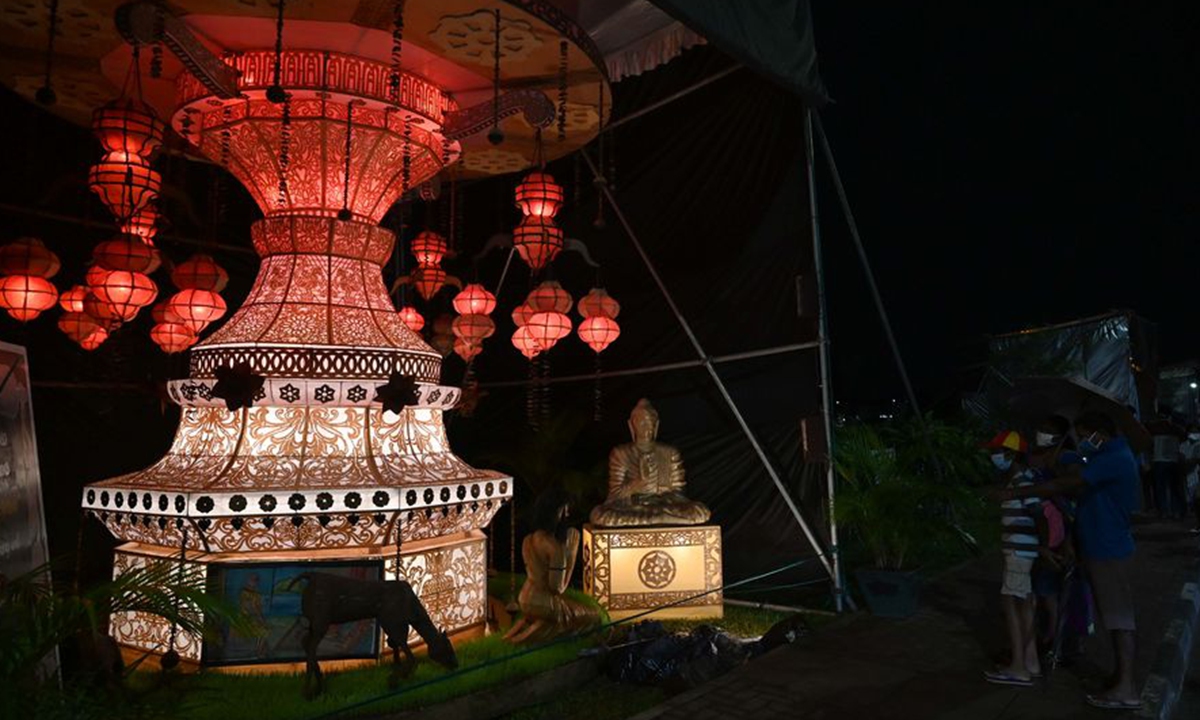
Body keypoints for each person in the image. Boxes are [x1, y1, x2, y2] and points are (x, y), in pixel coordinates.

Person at [999, 410, 1141, 710]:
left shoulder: (1113, 458)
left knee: (1119, 619)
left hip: (1108, 547)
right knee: (1112, 617)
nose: (1082, 441)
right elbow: (1071, 471)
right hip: (1099, 544)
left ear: (1098, 434)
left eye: (1084, 435)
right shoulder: (1105, 455)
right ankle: (1121, 678)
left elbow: (1064, 485)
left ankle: (1126, 687)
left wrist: (1016, 492)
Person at [984, 431, 1048, 687]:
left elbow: (1039, 515)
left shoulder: (1022, 482)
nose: (993, 457)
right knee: (1025, 604)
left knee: (1011, 604)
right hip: (1023, 552)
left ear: (1011, 454)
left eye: (996, 452)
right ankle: (1030, 662)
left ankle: (1018, 667)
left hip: (1020, 553)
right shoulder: (1018, 482)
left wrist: (1042, 547)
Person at [504, 489, 599, 644]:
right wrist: (571, 553)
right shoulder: (554, 548)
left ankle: (525, 629)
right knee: (593, 616)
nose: (568, 516)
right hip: (544, 603)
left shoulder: (528, 540)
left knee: (565, 614)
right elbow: (557, 589)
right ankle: (528, 635)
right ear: (557, 515)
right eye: (565, 512)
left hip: (524, 599)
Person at [1180, 423, 1200, 533]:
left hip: (1197, 475)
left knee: (1197, 500)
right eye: (1192, 431)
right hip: (1189, 476)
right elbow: (1182, 460)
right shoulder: (1183, 445)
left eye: (1196, 431)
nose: (1194, 433)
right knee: (1194, 501)